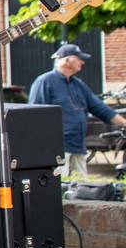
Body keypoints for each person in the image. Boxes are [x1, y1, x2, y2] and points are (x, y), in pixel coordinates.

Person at [28, 43, 126, 177]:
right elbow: (35, 115)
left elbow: (99, 108)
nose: (82, 62)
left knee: (82, 185)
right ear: (67, 60)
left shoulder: (78, 84)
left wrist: (124, 123)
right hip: (57, 148)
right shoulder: (45, 82)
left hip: (78, 145)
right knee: (61, 185)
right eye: (79, 58)